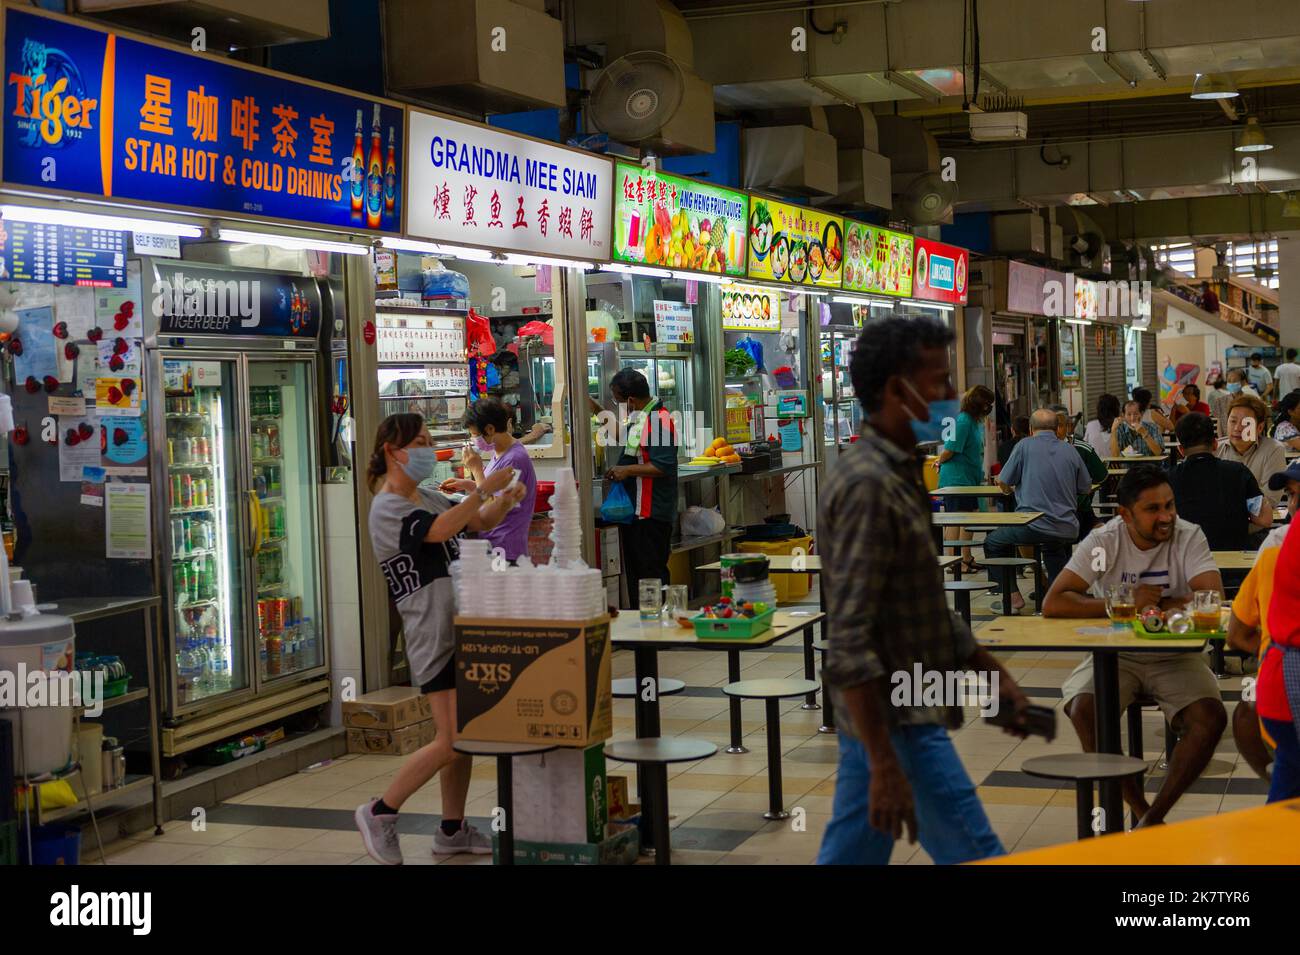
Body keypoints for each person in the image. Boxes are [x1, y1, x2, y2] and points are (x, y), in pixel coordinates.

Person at [816, 315, 1030, 866]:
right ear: (896, 390)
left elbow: (922, 604)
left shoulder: (901, 469)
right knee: (975, 851)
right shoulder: (869, 485)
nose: (953, 396)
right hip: (898, 720)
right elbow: (848, 641)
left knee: (853, 853)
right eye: (939, 382)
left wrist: (988, 669)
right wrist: (885, 762)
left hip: (904, 711)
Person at [356, 413, 526, 864]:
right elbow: (439, 531)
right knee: (450, 739)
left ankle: (452, 828)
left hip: (461, 627)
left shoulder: (427, 496)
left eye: (431, 440)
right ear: (393, 452)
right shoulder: (389, 507)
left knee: (463, 735)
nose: (429, 449)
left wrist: (506, 499)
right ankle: (380, 810)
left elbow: (478, 520)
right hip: (432, 634)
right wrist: (485, 488)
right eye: (420, 441)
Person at [1043, 465, 1227, 827]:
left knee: (1211, 719)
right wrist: (1125, 603)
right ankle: (1142, 810)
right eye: (1153, 509)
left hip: (1176, 655)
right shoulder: (1103, 542)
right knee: (1083, 709)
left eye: (1170, 505)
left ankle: (1152, 817)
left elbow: (1211, 596)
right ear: (1124, 514)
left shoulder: (1188, 536)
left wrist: (1152, 605)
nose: (1166, 517)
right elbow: (1056, 601)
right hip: (1115, 655)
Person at [988, 409, 1091, 612]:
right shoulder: (1070, 449)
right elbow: (1086, 487)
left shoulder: (1023, 445)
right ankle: (1062, 597)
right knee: (1052, 548)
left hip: (1032, 526)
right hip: (1067, 527)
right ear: (1056, 428)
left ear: (1030, 429)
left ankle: (1013, 598)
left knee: (993, 541)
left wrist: (1010, 488)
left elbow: (1004, 481)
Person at [603, 367, 678, 608]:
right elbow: (620, 437)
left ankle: (658, 629)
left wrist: (626, 470)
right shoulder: (643, 417)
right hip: (637, 512)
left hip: (651, 512)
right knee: (640, 574)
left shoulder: (659, 420)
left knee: (651, 572)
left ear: (631, 400)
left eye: (619, 401)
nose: (619, 406)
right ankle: (646, 628)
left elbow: (662, 466)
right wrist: (594, 408)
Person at [439, 397, 538, 563]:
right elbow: (492, 489)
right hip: (493, 545)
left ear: (490, 429)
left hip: (504, 549)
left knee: (499, 589)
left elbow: (495, 505)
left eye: (475, 435)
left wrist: (476, 469)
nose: (474, 440)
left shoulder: (515, 460)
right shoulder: (500, 453)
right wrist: (466, 484)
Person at [1254, 488, 1300, 802]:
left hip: (1279, 681)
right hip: (1288, 679)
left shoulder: (1284, 539)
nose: (1294, 503)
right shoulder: (1279, 543)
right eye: (1292, 495)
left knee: (1288, 782)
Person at [1168, 412, 1270, 551]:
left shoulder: (1167, 479)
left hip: (1185, 560)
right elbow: (1265, 519)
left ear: (1180, 450)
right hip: (1234, 563)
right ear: (1215, 444)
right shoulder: (1238, 472)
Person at [934, 384, 995, 573]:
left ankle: (966, 557)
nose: (989, 408)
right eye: (987, 404)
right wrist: (938, 461)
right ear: (978, 403)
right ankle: (954, 561)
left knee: (969, 516)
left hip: (968, 478)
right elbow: (950, 449)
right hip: (956, 479)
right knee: (955, 519)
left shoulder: (972, 421)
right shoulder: (962, 421)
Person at [1218, 394, 1289, 521]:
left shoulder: (1274, 450)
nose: (1237, 428)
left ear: (1260, 427)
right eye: (1233, 421)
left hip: (1255, 530)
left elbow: (1270, 500)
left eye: (1246, 423)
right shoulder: (1215, 449)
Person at [1056, 409, 1108, 540]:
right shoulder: (1080, 448)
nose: (1055, 430)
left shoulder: (1034, 449)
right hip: (1074, 510)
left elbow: (1101, 476)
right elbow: (1101, 477)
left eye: (1059, 425)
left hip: (1049, 513)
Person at [1084, 393, 1121, 460]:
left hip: (1095, 468)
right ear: (1116, 409)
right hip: (1117, 467)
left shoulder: (1090, 426)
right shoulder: (1120, 426)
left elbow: (1085, 449)